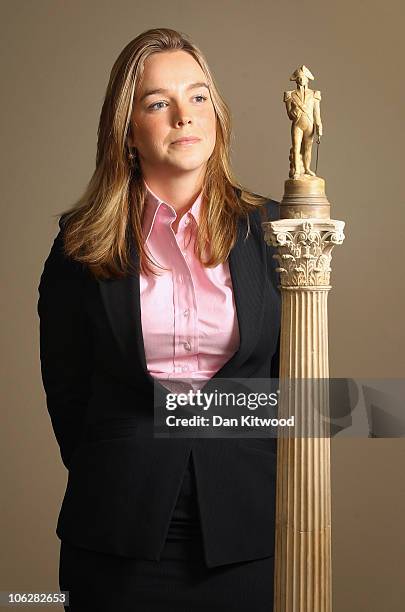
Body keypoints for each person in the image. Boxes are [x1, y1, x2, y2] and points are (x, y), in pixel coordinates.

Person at [37, 27, 281, 611]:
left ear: (217, 113)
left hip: (247, 528)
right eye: (157, 103)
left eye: (198, 97)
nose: (183, 116)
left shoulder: (276, 232)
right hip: (117, 527)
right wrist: (131, 455)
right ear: (127, 129)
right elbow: (67, 393)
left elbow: (286, 389)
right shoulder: (79, 244)